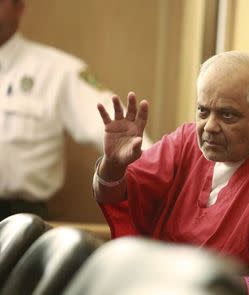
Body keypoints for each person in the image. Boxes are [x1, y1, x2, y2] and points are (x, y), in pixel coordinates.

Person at [93, 51, 249, 294]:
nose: (209, 127)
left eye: (227, 114)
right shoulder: (186, 142)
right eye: (203, 111)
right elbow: (118, 194)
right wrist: (113, 165)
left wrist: (232, 288)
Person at [0, 0, 151, 220]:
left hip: (16, 222)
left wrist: (162, 175)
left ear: (19, 6)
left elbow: (122, 139)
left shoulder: (56, 70)